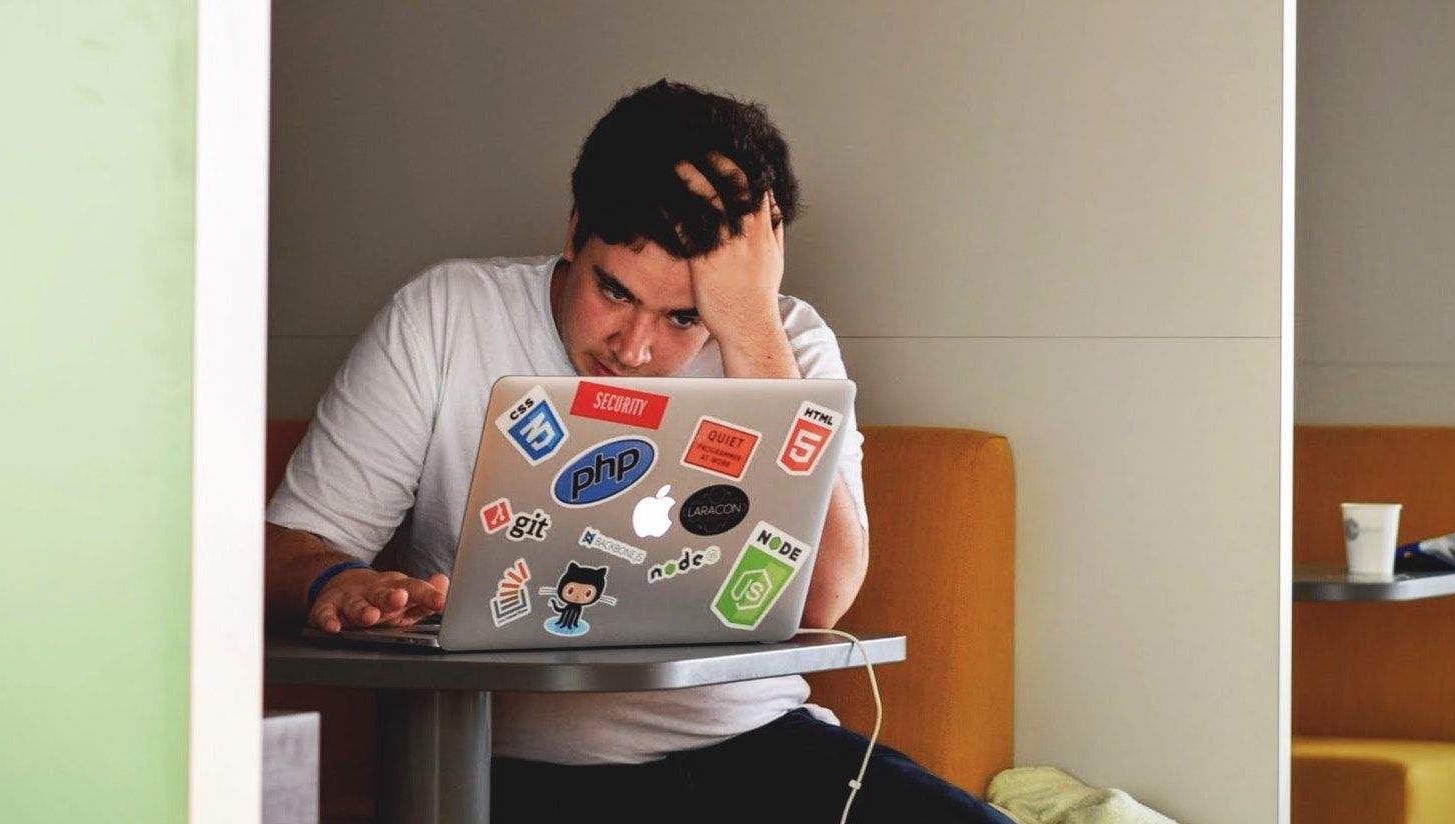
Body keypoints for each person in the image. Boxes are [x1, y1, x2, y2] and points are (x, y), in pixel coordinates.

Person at [264, 79, 1011, 823]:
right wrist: (334, 579)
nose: (636, 347)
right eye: (615, 292)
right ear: (574, 230)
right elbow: (286, 546)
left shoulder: (787, 344)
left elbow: (824, 599)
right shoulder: (446, 316)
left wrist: (749, 324)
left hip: (754, 744)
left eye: (685, 315)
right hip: (513, 771)